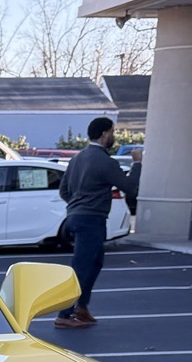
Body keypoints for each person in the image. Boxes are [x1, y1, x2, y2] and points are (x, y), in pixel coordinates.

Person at [52, 117, 138, 329]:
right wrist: (138, 163)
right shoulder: (106, 162)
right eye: (112, 132)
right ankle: (64, 314)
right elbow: (130, 187)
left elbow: (63, 190)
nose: (113, 136)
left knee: (94, 262)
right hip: (91, 219)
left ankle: (81, 307)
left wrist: (76, 205)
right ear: (104, 134)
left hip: (76, 217)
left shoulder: (77, 159)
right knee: (82, 267)